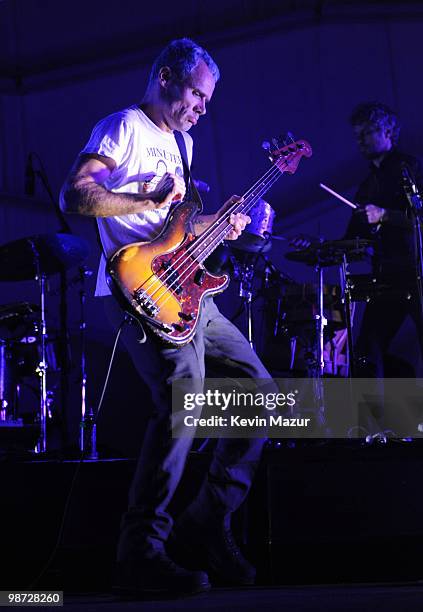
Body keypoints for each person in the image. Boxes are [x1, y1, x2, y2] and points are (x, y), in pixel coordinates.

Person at [60, 38, 273, 596]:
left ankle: (206, 520)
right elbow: (77, 196)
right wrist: (143, 200)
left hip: (186, 291)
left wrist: (229, 229)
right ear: (165, 78)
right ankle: (141, 551)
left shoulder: (185, 143)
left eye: (207, 98)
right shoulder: (124, 127)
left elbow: (178, 235)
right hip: (136, 290)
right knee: (186, 399)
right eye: (196, 94)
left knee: (262, 393)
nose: (202, 107)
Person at [344, 102, 423, 379]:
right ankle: (375, 423)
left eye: (367, 132)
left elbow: (419, 217)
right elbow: (353, 238)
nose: (361, 139)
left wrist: (385, 215)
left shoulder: (410, 169)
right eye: (357, 134)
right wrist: (317, 245)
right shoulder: (367, 186)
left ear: (388, 132)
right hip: (387, 278)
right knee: (367, 351)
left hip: (417, 274)